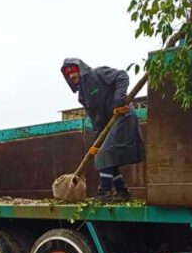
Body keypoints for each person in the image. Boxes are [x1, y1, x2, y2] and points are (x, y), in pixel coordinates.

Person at [61, 58, 144, 201]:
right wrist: (96, 142)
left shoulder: (98, 74)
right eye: (68, 74)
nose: (72, 76)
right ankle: (123, 192)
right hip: (109, 124)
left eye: (73, 72)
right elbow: (96, 119)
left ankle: (104, 192)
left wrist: (119, 100)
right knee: (106, 155)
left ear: (80, 70)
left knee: (105, 154)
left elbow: (122, 76)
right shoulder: (82, 97)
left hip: (122, 115)